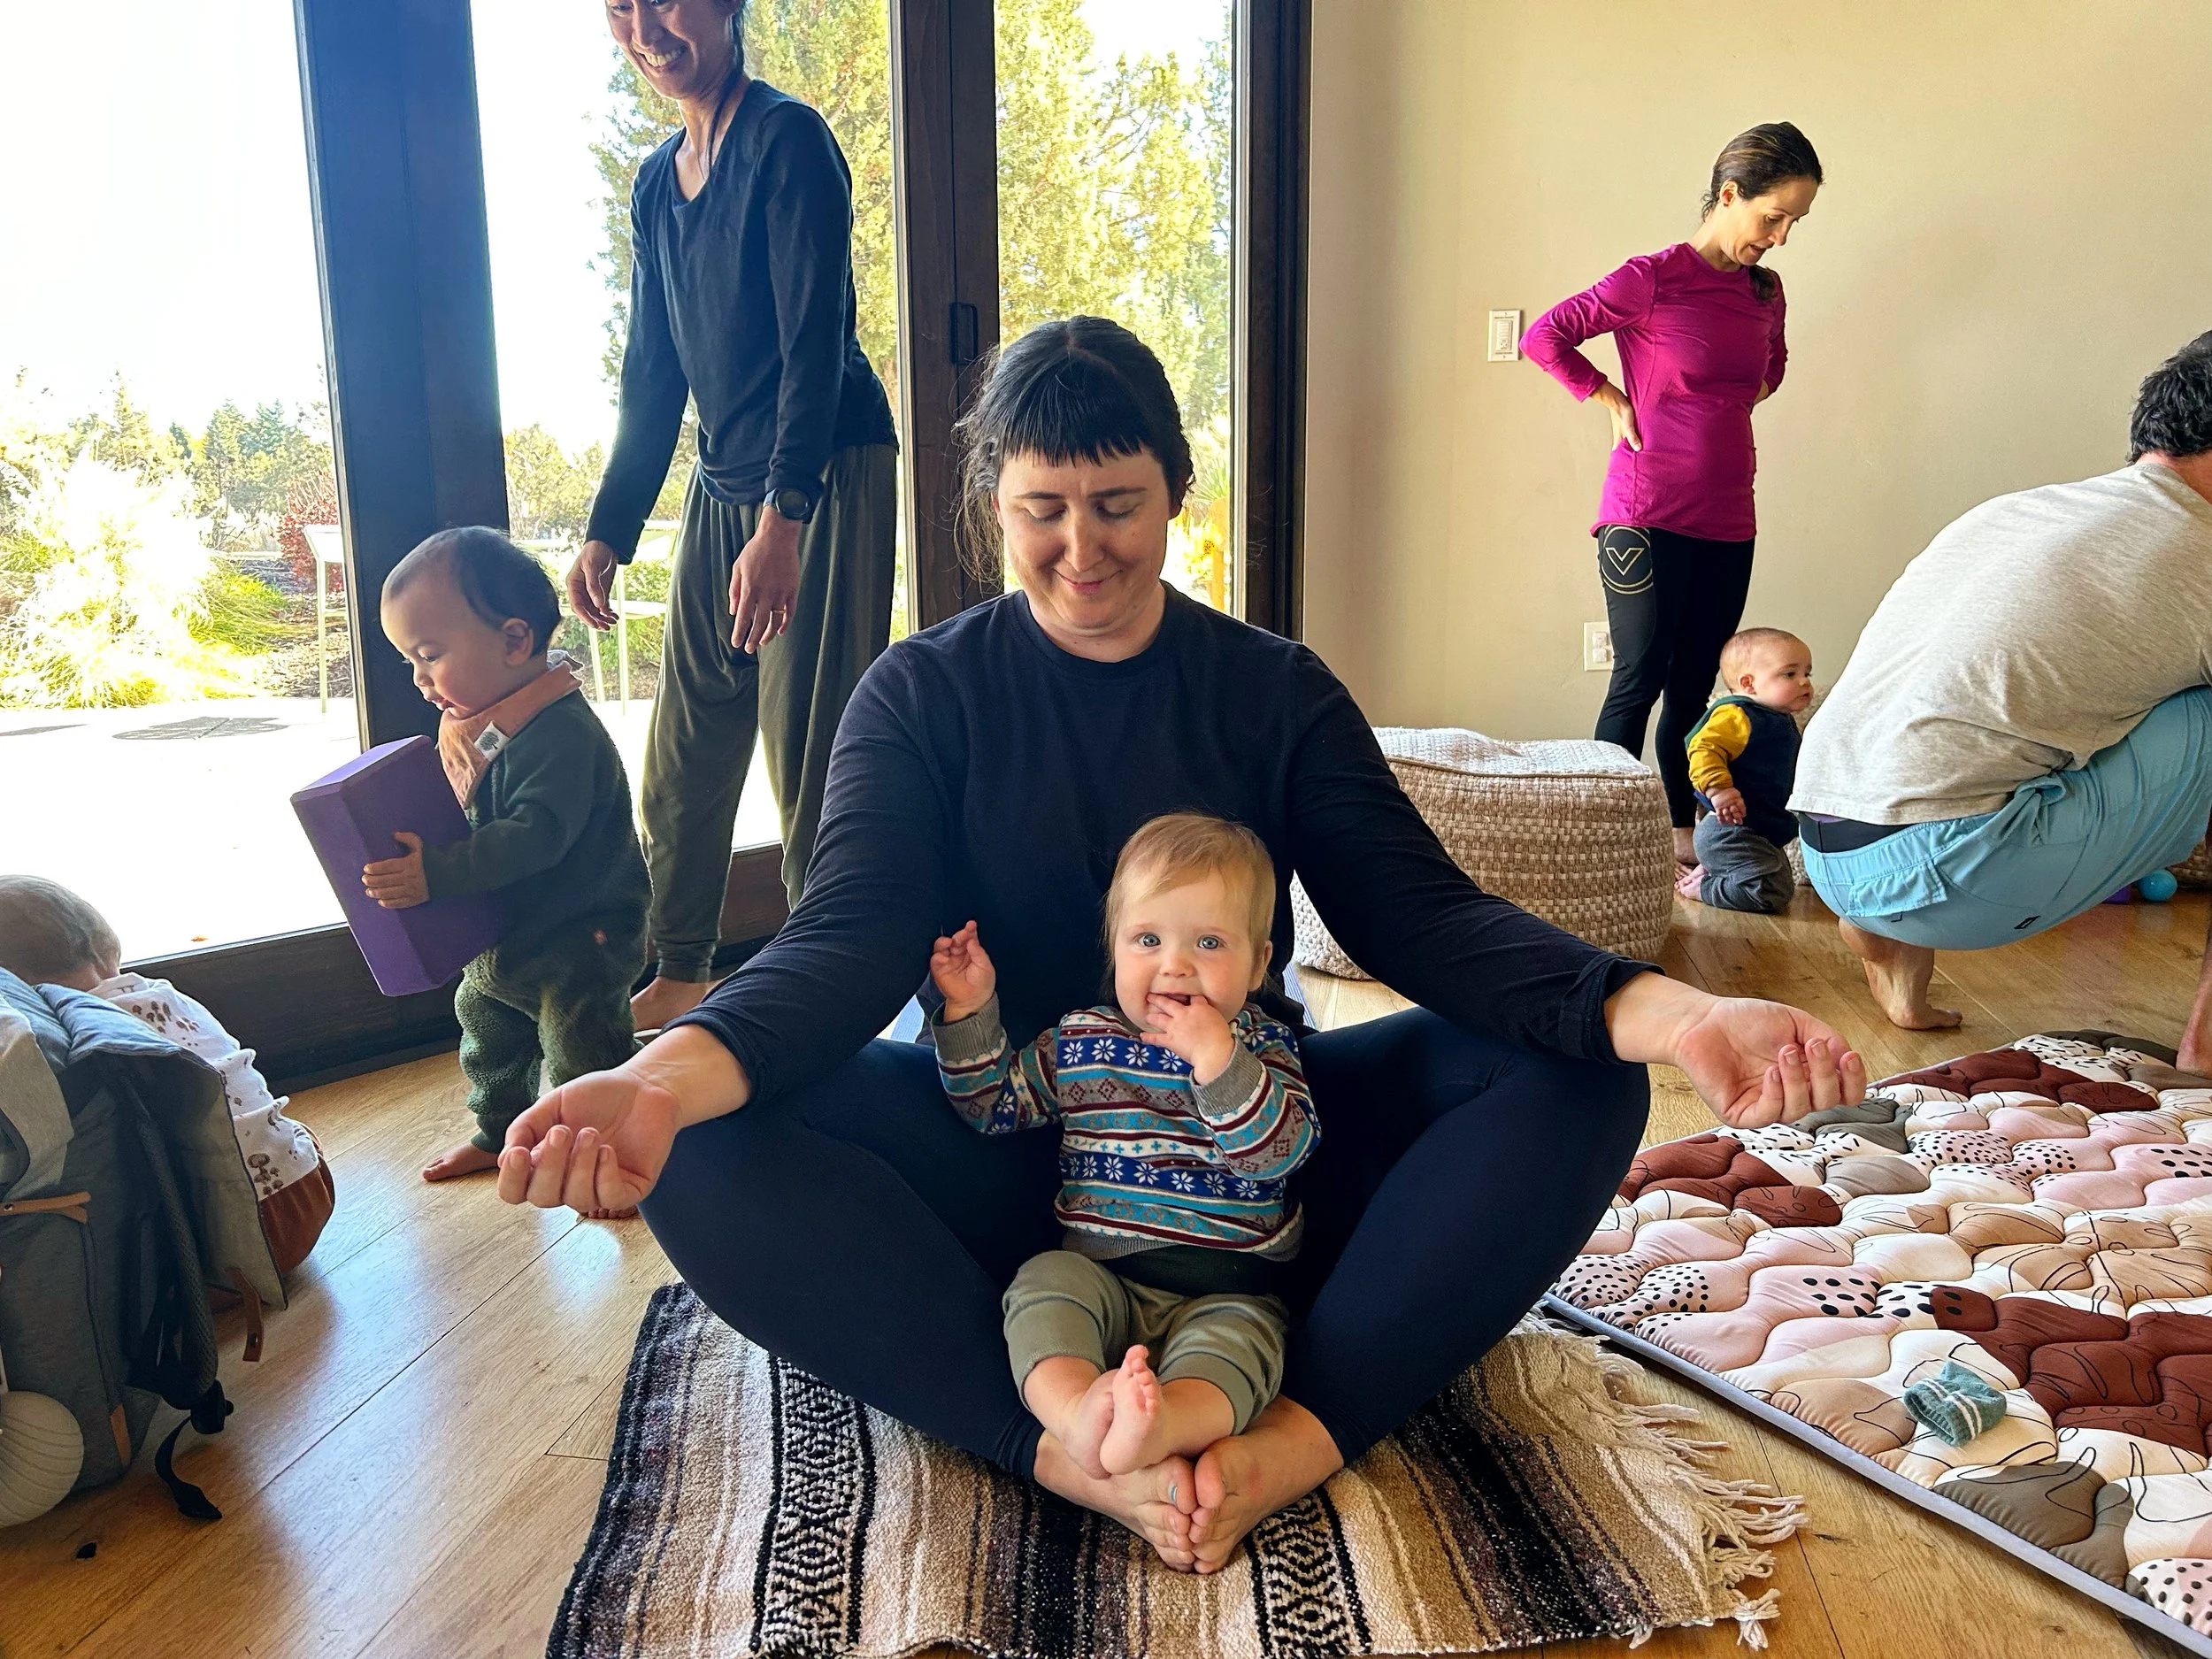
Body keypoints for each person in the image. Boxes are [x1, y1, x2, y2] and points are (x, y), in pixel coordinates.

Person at [495, 318, 1864, 1576]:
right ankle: (1061, 1447)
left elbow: (1421, 918)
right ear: (993, 509)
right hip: (1009, 1145)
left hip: (1245, 1164)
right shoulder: (921, 692)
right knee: (703, 1144)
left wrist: (1683, 1011)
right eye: (1042, 510)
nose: (1080, 547)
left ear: (1173, 494)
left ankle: (1291, 1434)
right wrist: (658, 1076)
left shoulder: (1272, 689)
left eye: (1117, 505)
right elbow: (845, 940)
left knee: (1577, 1079)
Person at [567, 0, 899, 1034]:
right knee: (685, 753)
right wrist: (609, 529)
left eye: (665, 1)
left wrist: (784, 521)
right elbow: (653, 370)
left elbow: (816, 340)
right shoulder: (658, 185)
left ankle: (826, 992)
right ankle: (681, 969)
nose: (645, 28)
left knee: (813, 757)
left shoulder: (788, 142)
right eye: (621, 8)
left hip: (822, 472)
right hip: (725, 486)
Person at [1792, 331, 2212, 1065]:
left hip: (1826, 846)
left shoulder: (2024, 510)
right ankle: (2207, 1043)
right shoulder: (2198, 546)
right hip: (1953, 870)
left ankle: (1889, 941)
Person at [932, 814, 1315, 1480]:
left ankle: (1165, 1423)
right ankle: (1079, 1411)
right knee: (1041, 1287)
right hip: (1099, 1272)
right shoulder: (1082, 1041)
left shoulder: (1261, 1048)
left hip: (1231, 1286)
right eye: (1148, 938)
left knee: (1241, 1355)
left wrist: (1218, 1060)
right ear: (1115, 949)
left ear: (1258, 964)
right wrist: (972, 1010)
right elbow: (994, 1105)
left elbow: (1279, 1153)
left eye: (1209, 941)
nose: (1176, 963)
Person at [1525, 122, 1822, 867]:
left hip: (1729, 514)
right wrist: (1609, 396)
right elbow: (1548, 335)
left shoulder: (1766, 291)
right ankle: (1595, 839)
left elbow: (1772, 368)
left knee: (1696, 684)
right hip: (1645, 512)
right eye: (1773, 217)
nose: (1781, 237)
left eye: (1795, 223)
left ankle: (1680, 834)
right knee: (1641, 676)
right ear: (1730, 195)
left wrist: (1725, 408)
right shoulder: (1652, 277)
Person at [365, 529, 651, 1197]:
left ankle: (619, 1153)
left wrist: (437, 871)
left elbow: (533, 837)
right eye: (411, 660)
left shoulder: (557, 732)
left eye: (430, 654)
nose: (419, 678)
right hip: (510, 936)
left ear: (516, 641)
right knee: (487, 1030)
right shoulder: (485, 724)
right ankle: (498, 1132)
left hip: (582, 936)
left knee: (581, 1048)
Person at [0, 874, 321, 1199]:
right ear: (105, 944)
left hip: (226, 1224)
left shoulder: (76, 1036)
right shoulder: (167, 996)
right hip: (307, 1182)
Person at [1678, 628, 1813, 915]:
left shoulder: (1778, 720)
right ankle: (1704, 888)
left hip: (1756, 830)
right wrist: (1720, 790)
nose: (1804, 682)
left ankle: (1714, 872)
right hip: (1729, 830)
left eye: (1807, 674)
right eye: (1790, 674)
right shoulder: (1737, 715)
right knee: (1770, 893)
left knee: (1781, 883)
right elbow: (1703, 748)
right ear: (1748, 684)